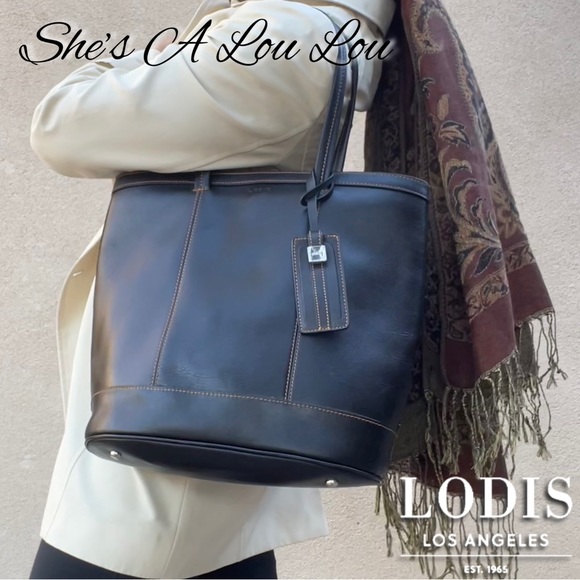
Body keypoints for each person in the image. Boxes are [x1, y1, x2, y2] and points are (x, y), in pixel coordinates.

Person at [28, 0, 396, 578]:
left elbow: (60, 124)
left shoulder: (283, 33)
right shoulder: (321, 31)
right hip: (194, 438)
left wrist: (151, 53)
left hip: (157, 469)